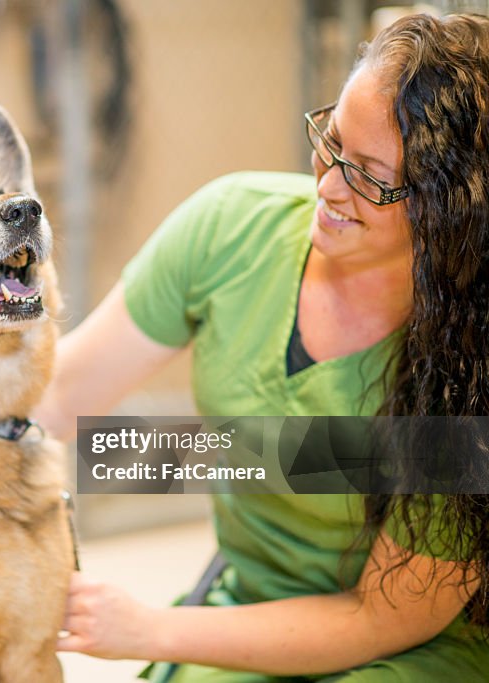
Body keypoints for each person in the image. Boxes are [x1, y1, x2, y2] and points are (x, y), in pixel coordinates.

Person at [41, 12, 489, 682]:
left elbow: (381, 615)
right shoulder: (229, 229)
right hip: (243, 608)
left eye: (368, 175)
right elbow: (61, 399)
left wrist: (147, 628)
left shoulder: (468, 360)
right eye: (330, 141)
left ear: (446, 209)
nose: (329, 187)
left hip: (405, 649)